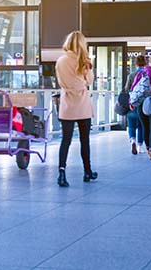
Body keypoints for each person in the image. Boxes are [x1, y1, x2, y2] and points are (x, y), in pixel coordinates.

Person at [55, 31, 97, 187]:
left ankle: (61, 173)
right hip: (82, 104)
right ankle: (87, 171)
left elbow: (60, 81)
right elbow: (89, 81)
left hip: (67, 104)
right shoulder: (84, 61)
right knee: (84, 140)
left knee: (65, 140)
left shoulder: (60, 61)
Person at [131, 54, 151, 160]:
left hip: (142, 103)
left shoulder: (142, 72)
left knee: (145, 127)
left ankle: (148, 147)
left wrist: (131, 102)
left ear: (149, 62)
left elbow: (134, 88)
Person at [124, 56, 146, 155]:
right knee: (141, 125)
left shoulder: (131, 75)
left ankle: (132, 140)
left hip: (132, 103)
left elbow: (126, 89)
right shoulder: (146, 74)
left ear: (135, 64)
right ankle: (140, 146)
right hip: (143, 103)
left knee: (131, 124)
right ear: (145, 63)